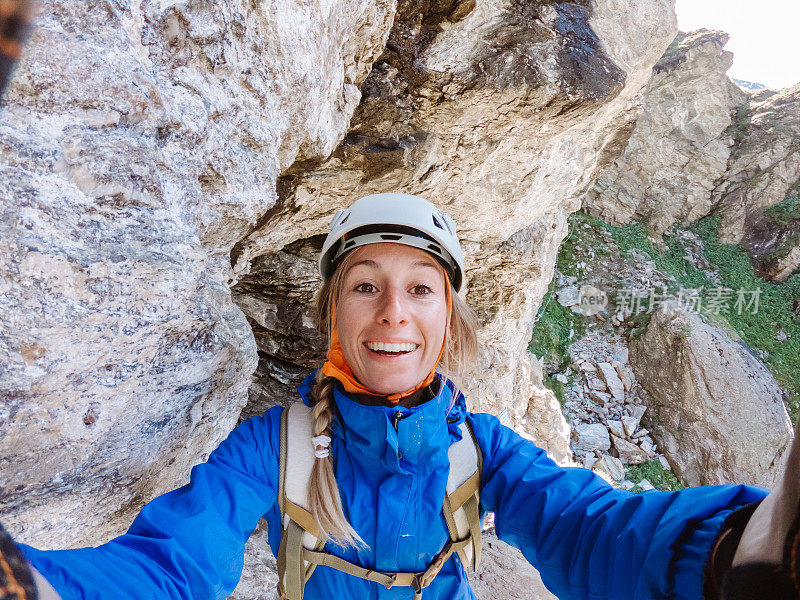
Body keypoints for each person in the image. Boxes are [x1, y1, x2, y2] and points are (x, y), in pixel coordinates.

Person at [3, 193, 799, 600]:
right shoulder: (270, 448)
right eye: (366, 287)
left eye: (421, 289)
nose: (393, 312)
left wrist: (740, 554)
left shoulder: (481, 449)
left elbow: (589, 529)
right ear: (333, 314)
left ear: (446, 319)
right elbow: (178, 563)